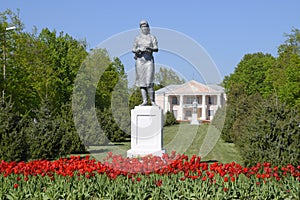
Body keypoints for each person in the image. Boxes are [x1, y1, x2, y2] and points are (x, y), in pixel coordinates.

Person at [132, 20, 158, 106]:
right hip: (140, 61)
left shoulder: (152, 37)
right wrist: (138, 50)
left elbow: (156, 48)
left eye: (145, 26)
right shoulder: (137, 38)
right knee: (142, 83)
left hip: (149, 60)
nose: (144, 28)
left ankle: (152, 101)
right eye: (142, 26)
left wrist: (149, 48)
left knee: (149, 82)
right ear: (140, 28)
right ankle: (145, 101)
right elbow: (133, 49)